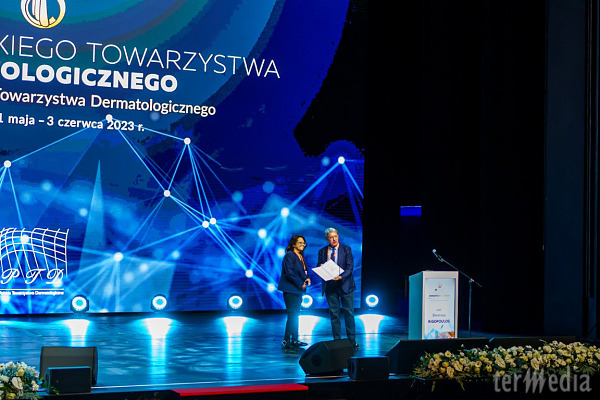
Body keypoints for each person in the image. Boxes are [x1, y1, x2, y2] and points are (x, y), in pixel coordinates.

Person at [317, 227, 358, 349]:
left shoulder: (346, 249)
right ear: (327, 239)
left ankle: (352, 341)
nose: (334, 239)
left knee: (349, 313)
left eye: (335, 236)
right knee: (334, 315)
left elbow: (350, 268)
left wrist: (340, 277)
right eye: (331, 237)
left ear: (338, 236)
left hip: (345, 285)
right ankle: (337, 341)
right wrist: (320, 267)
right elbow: (318, 266)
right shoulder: (322, 251)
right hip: (330, 287)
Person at [277, 234, 311, 348]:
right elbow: (289, 273)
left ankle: (293, 340)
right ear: (293, 244)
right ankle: (288, 340)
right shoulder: (290, 255)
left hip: (297, 290)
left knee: (294, 315)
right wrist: (300, 283)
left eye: (304, 243)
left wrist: (307, 278)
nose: (303, 245)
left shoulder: (300, 256)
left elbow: (302, 272)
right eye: (300, 243)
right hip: (291, 289)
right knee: (293, 315)